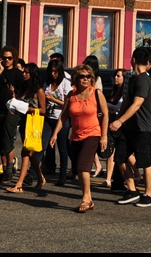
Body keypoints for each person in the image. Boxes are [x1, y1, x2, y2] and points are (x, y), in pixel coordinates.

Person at [49, 64, 108, 213]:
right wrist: (55, 133)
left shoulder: (96, 93)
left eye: (88, 76)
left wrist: (104, 136)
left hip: (92, 134)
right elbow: (64, 116)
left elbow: (105, 114)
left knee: (83, 167)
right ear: (76, 78)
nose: (86, 79)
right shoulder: (72, 95)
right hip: (75, 137)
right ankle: (88, 198)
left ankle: (86, 199)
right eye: (82, 76)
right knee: (78, 170)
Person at [110, 47, 151, 207]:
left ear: (133, 59)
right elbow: (128, 101)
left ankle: (148, 195)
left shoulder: (144, 80)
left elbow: (137, 104)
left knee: (145, 162)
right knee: (120, 158)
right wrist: (117, 119)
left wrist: (119, 121)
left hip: (143, 129)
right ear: (148, 62)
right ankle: (132, 190)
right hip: (129, 128)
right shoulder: (134, 79)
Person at [7, 63, 48, 193]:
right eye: (23, 72)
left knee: (26, 151)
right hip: (25, 121)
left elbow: (43, 110)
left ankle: (19, 185)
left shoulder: (39, 90)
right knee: (30, 154)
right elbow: (19, 102)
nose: (24, 74)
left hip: (34, 123)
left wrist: (29, 109)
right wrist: (13, 97)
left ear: (33, 74)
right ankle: (41, 177)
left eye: (26, 72)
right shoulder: (24, 87)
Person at [0, 46, 24, 185]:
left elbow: (22, 95)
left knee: (7, 141)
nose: (7, 60)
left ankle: (10, 168)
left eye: (9, 58)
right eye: (4, 58)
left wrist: (13, 95)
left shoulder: (17, 74)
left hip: (12, 112)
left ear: (14, 59)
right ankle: (5, 170)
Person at [42, 58, 72, 185]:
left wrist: (53, 100)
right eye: (51, 71)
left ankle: (63, 176)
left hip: (62, 119)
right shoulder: (47, 84)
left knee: (62, 148)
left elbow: (67, 104)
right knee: (45, 145)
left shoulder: (66, 83)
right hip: (49, 118)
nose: (53, 74)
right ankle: (42, 170)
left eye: (55, 71)